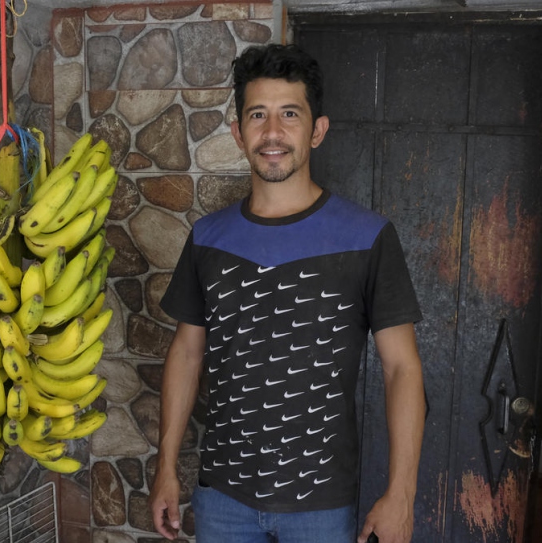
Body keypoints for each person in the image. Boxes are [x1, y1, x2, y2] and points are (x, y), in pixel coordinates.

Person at [149, 43, 426, 543]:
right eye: (258, 114)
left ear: (317, 130)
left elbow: (402, 369)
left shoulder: (367, 236)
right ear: (238, 132)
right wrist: (165, 465)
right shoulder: (208, 238)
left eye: (290, 114)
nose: (272, 132)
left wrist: (400, 495)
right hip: (221, 499)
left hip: (322, 507)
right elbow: (187, 353)